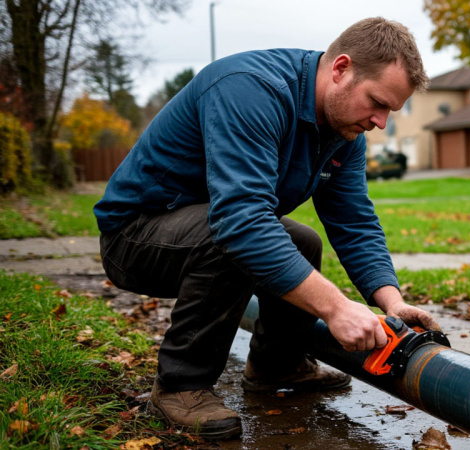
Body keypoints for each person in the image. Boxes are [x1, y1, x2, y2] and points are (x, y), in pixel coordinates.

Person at [94, 17, 440, 440]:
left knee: (302, 241)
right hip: (135, 235)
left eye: (390, 110)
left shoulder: (344, 131)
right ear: (341, 69)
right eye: (377, 102)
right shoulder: (250, 90)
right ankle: (180, 387)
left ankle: (278, 365)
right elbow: (239, 220)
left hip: (204, 225)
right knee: (232, 236)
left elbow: (353, 221)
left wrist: (391, 302)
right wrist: (335, 307)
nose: (381, 121)